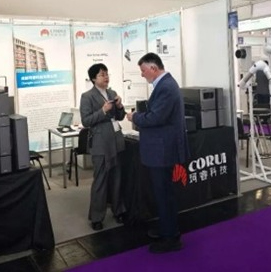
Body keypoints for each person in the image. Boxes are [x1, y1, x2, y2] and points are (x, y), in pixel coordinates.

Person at [126, 52, 189, 254]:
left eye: (143, 70)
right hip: (161, 150)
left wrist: (135, 117)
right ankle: (166, 229)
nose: (142, 74)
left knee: (164, 195)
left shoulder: (166, 87)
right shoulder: (164, 85)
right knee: (163, 194)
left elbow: (155, 118)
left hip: (163, 151)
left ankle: (170, 238)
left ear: (153, 68)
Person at [80, 63, 127, 231]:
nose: (106, 77)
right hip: (100, 142)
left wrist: (120, 106)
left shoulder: (112, 93)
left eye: (107, 74)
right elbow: (86, 121)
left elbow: (120, 117)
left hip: (116, 140)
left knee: (117, 178)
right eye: (102, 75)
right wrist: (103, 111)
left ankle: (118, 210)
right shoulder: (87, 96)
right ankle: (97, 217)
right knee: (100, 179)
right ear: (93, 79)